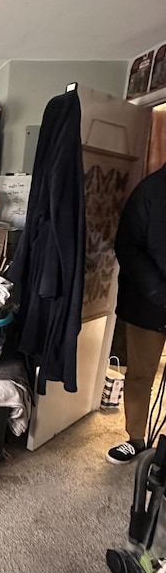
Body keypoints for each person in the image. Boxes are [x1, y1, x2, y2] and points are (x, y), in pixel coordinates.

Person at [107, 164, 166, 464]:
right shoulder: (149, 191)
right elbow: (128, 246)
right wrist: (158, 292)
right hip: (147, 302)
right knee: (141, 375)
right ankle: (136, 439)